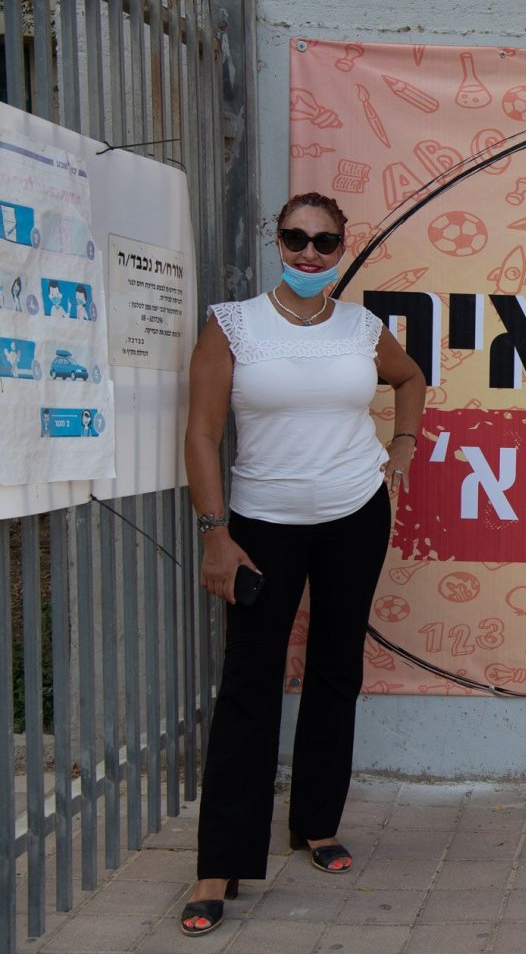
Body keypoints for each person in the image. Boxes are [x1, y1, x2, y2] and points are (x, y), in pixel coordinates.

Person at [180, 192, 426, 936]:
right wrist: (215, 534)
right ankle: (220, 863)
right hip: (263, 525)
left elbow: (410, 379)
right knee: (249, 686)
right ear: (277, 242)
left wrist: (402, 447)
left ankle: (316, 824)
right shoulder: (233, 326)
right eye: (296, 239)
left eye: (324, 242)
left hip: (356, 515)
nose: (309, 254)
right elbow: (201, 434)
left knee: (335, 669)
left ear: (342, 247)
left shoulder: (362, 328)